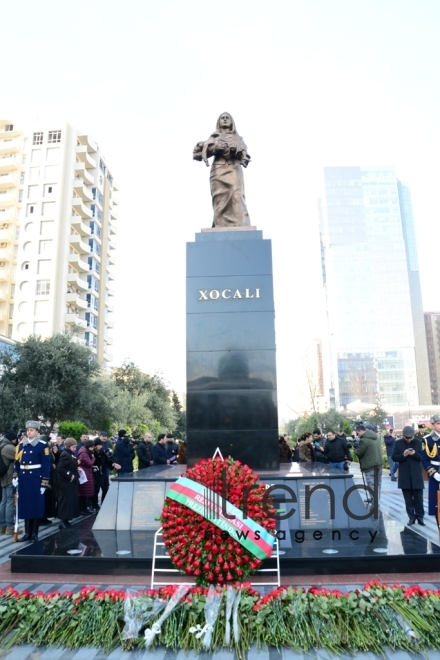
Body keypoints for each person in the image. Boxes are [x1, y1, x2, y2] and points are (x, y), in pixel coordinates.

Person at [193, 112, 251, 227]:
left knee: (236, 195)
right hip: (218, 171)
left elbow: (245, 158)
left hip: (234, 169)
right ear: (219, 122)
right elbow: (197, 155)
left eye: (227, 118)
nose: (225, 119)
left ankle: (239, 225)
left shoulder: (239, 139)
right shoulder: (214, 137)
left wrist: (237, 151)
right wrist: (215, 148)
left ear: (231, 122)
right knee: (219, 200)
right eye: (222, 118)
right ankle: (220, 226)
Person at [13, 421, 51, 542]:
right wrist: (15, 476)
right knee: (25, 506)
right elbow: (17, 463)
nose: (29, 432)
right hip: (24, 479)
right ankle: (27, 533)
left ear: (37, 432)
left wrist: (44, 483)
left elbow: (46, 466)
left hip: (35, 479)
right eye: (27, 430)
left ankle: (34, 533)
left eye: (31, 430)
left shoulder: (42, 445)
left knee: (35, 506)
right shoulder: (21, 445)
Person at [392, 425, 425, 526]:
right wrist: (403, 455)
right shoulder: (398, 443)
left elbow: (423, 457)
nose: (409, 440)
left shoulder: (419, 443)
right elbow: (394, 457)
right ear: (403, 436)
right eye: (407, 438)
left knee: (419, 498)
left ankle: (420, 517)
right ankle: (411, 517)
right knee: (408, 499)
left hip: (416, 475)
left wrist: (414, 454)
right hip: (405, 476)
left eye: (411, 438)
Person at [353, 424, 383, 509]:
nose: (357, 435)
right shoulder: (375, 437)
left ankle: (375, 504)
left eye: (357, 433)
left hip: (370, 466)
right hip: (379, 465)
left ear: (361, 431)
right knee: (378, 485)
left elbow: (359, 453)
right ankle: (377, 502)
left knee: (372, 485)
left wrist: (354, 448)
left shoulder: (364, 440)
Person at [0, 431, 21, 535]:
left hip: (3, 478)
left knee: (3, 501)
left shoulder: (2, 445)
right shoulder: (8, 447)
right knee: (9, 502)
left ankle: (2, 526)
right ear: (13, 439)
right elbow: (21, 456)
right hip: (9, 478)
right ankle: (10, 527)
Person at [56, 438, 80, 529]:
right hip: (65, 482)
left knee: (69, 501)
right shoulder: (65, 454)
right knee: (64, 501)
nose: (75, 449)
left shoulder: (70, 454)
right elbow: (60, 468)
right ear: (68, 446)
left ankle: (66, 520)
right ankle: (62, 520)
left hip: (70, 482)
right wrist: (70, 475)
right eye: (73, 447)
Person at [420, 414, 440, 517]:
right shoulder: (428, 440)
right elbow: (424, 459)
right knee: (436, 504)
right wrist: (434, 473)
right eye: (438, 423)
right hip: (435, 472)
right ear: (433, 425)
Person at [77, 439, 96, 515]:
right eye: (91, 447)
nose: (92, 449)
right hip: (85, 474)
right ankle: (82, 509)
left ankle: (84, 508)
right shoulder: (84, 453)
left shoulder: (85, 452)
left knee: (85, 493)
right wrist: (93, 458)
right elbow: (89, 463)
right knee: (83, 493)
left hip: (87, 473)